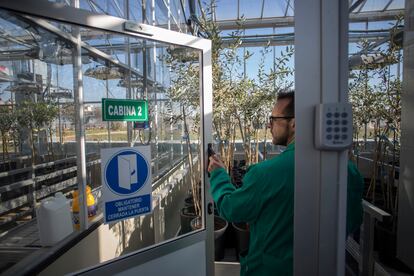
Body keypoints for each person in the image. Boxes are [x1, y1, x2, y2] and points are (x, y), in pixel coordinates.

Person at [208, 91, 364, 276]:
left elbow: (230, 208)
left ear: (294, 123)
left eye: (273, 118)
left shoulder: (265, 173)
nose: (268, 124)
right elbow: (353, 220)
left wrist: (217, 174)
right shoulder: (349, 172)